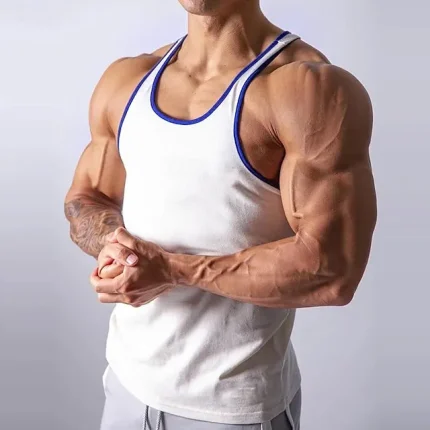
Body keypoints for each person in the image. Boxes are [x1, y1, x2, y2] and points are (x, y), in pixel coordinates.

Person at [64, 1, 377, 429]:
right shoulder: (127, 80)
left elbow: (333, 270)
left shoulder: (308, 90)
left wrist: (171, 270)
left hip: (232, 408)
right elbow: (88, 197)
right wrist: (115, 246)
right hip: (125, 387)